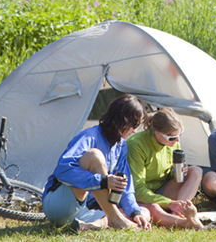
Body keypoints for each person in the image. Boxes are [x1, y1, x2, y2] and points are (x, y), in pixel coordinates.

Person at [42, 94, 152, 231]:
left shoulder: (122, 146)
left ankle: (86, 226)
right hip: (60, 206)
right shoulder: (90, 136)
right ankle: (115, 218)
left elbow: (126, 185)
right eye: (134, 125)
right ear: (123, 121)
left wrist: (135, 212)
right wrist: (102, 181)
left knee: (144, 212)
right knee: (95, 156)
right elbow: (63, 170)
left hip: (86, 210)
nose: (135, 131)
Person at [127, 107, 204, 230]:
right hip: (143, 196)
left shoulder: (172, 142)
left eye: (180, 134)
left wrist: (176, 172)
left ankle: (178, 212)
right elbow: (138, 190)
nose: (177, 140)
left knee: (196, 170)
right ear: (157, 134)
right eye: (172, 138)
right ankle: (182, 219)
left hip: (162, 190)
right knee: (155, 209)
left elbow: (167, 176)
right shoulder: (136, 144)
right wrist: (169, 203)